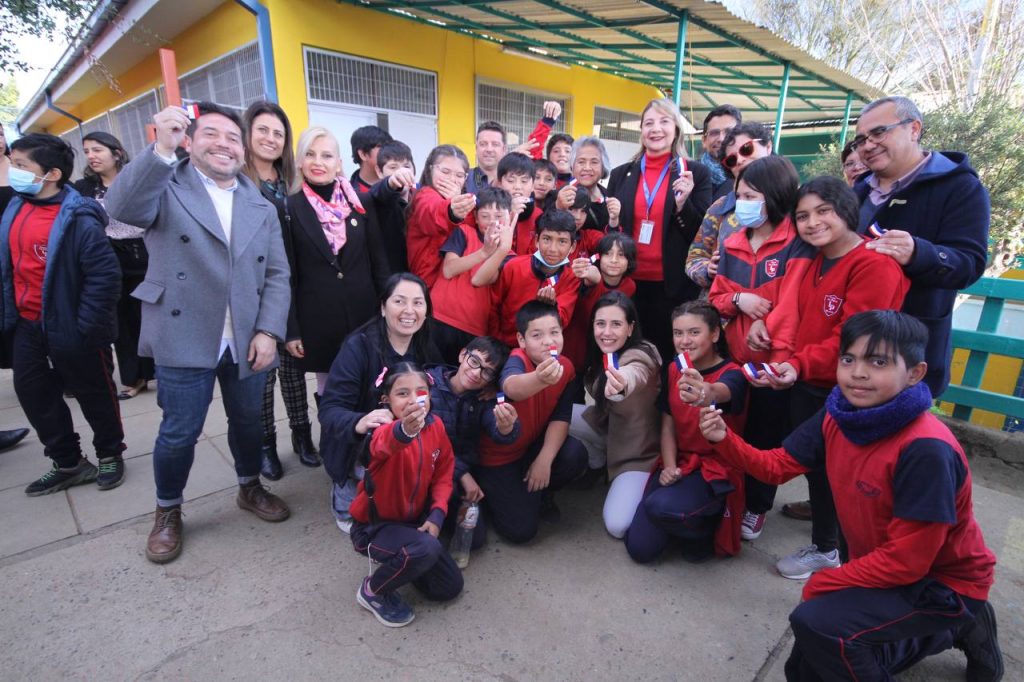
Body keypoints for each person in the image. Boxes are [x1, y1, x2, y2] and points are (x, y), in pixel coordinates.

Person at [699, 310, 1002, 682]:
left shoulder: (925, 449)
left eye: (878, 362)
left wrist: (826, 582)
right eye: (849, 359)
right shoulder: (839, 413)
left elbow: (907, 563)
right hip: (886, 566)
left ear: (915, 373)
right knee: (804, 668)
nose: (858, 372)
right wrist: (723, 439)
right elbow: (776, 466)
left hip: (942, 583)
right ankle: (954, 630)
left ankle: (961, 621)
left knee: (821, 626)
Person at [105, 102, 292, 564]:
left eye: (232, 137)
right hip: (184, 331)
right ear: (190, 139)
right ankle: (168, 510)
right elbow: (120, 208)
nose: (223, 144)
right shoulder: (167, 184)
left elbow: (277, 276)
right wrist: (159, 149)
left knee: (248, 424)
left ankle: (249, 486)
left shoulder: (259, 204)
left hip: (245, 336)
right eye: (210, 134)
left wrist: (269, 330)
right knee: (179, 432)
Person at [753, 176, 910, 580]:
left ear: (846, 210)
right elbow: (791, 308)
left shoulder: (875, 265)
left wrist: (800, 364)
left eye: (823, 211)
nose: (812, 222)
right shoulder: (815, 260)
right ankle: (829, 545)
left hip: (847, 389)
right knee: (819, 470)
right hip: (809, 381)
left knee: (838, 474)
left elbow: (852, 339)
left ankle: (831, 551)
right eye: (803, 215)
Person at [1, 133, 125, 495]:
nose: (15, 171)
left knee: (94, 392)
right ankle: (68, 461)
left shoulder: (78, 218)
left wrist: (85, 326)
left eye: (23, 166)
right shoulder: (17, 207)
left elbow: (104, 278)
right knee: (34, 393)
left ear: (52, 174)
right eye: (14, 163)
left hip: (73, 326)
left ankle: (109, 454)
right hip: (27, 324)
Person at [853, 96, 990, 396]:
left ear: (914, 129)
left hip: (908, 354)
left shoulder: (960, 187)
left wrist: (919, 252)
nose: (867, 145)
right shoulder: (859, 189)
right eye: (861, 139)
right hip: (849, 346)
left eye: (878, 133)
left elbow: (970, 262)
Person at [707, 155, 805, 543]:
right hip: (736, 358)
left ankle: (757, 506)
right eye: (739, 195)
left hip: (775, 362)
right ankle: (732, 494)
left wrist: (769, 321)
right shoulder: (732, 242)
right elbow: (717, 297)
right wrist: (740, 300)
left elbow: (795, 300)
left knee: (767, 436)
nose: (742, 203)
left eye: (751, 195)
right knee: (736, 429)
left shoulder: (796, 242)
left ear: (776, 197)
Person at [319, 273, 442, 533]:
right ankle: (345, 487)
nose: (410, 311)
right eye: (399, 301)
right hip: (363, 445)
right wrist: (359, 421)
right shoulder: (358, 348)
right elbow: (329, 410)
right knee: (358, 518)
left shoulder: (425, 342)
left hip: (408, 439)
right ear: (383, 307)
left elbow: (441, 385)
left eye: (418, 303)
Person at [625, 301, 747, 562]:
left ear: (715, 334)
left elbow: (719, 391)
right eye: (678, 333)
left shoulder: (733, 373)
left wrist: (705, 392)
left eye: (694, 332)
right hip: (679, 462)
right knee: (640, 549)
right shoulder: (673, 368)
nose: (684, 340)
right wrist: (668, 466)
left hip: (715, 468)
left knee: (661, 509)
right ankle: (682, 515)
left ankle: (703, 526)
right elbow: (668, 423)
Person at [350, 362, 463, 628]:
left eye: (421, 391)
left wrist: (437, 515)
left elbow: (444, 473)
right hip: (373, 528)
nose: (414, 400)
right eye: (403, 393)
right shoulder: (380, 430)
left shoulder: (436, 427)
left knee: (449, 587)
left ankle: (407, 558)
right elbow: (383, 444)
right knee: (427, 548)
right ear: (385, 400)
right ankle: (372, 591)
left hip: (413, 523)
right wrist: (406, 430)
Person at [240, 101, 318, 480]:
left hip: (290, 290)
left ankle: (302, 437)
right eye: (263, 130)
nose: (271, 139)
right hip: (251, 292)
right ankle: (266, 445)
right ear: (248, 134)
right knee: (261, 374)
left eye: (278, 132)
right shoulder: (237, 181)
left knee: (292, 371)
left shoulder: (292, 182)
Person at [282, 126, 389, 399]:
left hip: (364, 314)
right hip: (319, 318)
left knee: (370, 382)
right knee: (330, 388)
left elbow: (378, 262)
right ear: (300, 161)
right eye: (311, 154)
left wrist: (387, 308)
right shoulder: (288, 209)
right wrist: (292, 330)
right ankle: (334, 438)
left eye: (327, 156)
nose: (318, 162)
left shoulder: (360, 203)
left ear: (338, 163)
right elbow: (287, 275)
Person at [608, 98, 713, 361]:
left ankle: (667, 402)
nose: (656, 129)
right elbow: (610, 229)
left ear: (676, 129)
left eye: (664, 122)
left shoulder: (695, 174)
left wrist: (682, 204)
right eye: (649, 123)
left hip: (673, 285)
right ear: (641, 130)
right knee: (628, 352)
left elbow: (701, 233)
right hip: (628, 280)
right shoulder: (622, 174)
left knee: (667, 355)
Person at [477, 301, 588, 542]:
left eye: (555, 332)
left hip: (531, 446)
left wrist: (544, 460)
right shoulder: (517, 359)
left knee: (575, 453)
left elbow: (561, 417)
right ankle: (496, 497)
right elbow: (512, 387)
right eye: (537, 335)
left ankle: (542, 492)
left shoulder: (566, 368)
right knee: (520, 531)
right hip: (499, 459)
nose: (549, 341)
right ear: (521, 339)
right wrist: (540, 378)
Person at [569, 292, 661, 537]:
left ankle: (643, 483)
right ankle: (597, 461)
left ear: (630, 328)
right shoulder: (599, 352)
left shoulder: (643, 353)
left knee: (617, 526)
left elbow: (635, 373)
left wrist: (621, 384)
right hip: (606, 427)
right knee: (556, 417)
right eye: (600, 324)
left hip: (638, 452)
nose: (606, 332)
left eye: (616, 324)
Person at [73, 131, 155, 400]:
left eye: (97, 150)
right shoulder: (84, 188)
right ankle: (134, 377)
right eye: (87, 151)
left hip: (144, 255)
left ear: (116, 153)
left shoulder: (137, 179)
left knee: (150, 318)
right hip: (107, 258)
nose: (91, 156)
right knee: (121, 322)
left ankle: (160, 372)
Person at [426, 337, 520, 548]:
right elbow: (424, 442)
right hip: (425, 470)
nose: (477, 373)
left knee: (474, 540)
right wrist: (463, 474)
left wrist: (507, 428)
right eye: (474, 362)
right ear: (462, 355)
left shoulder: (482, 398)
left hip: (455, 477)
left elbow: (501, 431)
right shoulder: (427, 384)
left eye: (487, 372)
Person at [684, 121, 774, 294]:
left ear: (768, 146)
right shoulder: (720, 207)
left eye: (746, 149)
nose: (740, 160)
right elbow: (694, 258)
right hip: (724, 309)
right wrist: (707, 270)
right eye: (731, 159)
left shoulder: (794, 203)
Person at [431, 186, 513, 363]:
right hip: (438, 317)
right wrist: (483, 252)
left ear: (510, 217)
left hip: (472, 328)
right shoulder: (464, 232)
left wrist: (498, 250)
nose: (492, 222)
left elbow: (481, 279)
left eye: (499, 217)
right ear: (475, 217)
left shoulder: (509, 255)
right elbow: (448, 269)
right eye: (485, 216)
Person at [489, 209, 580, 348]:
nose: (553, 249)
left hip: (540, 351)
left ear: (572, 247)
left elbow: (562, 321)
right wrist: (496, 340)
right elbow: (493, 307)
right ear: (536, 240)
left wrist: (551, 307)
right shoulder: (514, 267)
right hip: (502, 343)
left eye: (562, 241)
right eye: (547, 239)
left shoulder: (571, 279)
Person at [562, 232, 637, 382]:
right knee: (574, 393)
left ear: (630, 261)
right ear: (598, 257)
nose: (614, 260)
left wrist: (598, 283)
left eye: (621, 255)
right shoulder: (588, 278)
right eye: (608, 254)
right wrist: (593, 281)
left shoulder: (629, 286)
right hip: (575, 347)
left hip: (603, 349)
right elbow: (590, 311)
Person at [405, 145, 476, 288]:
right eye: (445, 171)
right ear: (430, 169)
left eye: (459, 175)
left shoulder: (466, 199)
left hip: (455, 286)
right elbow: (432, 214)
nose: (452, 179)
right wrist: (452, 209)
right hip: (428, 283)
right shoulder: (425, 195)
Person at [368, 140, 417, 273]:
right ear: (379, 171)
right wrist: (391, 183)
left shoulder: (421, 199)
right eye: (393, 167)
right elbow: (379, 193)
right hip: (391, 279)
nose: (401, 172)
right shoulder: (376, 199)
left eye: (406, 166)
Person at [554, 136, 615, 234]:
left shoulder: (610, 197)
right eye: (581, 162)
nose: (587, 168)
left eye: (594, 162)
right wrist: (559, 207)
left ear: (603, 166)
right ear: (572, 166)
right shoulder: (560, 195)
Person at [698, 105, 741, 198]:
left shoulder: (751, 174)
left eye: (729, 132)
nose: (721, 139)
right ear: (704, 141)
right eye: (714, 133)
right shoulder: (691, 175)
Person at [349, 125, 392, 192]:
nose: (388, 152)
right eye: (381, 147)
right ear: (363, 154)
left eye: (388, 147)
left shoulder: (401, 187)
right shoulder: (346, 194)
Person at [466, 121, 506, 193]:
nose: (489, 149)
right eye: (483, 144)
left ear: (504, 149)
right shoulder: (464, 178)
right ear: (476, 148)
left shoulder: (512, 181)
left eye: (495, 144)